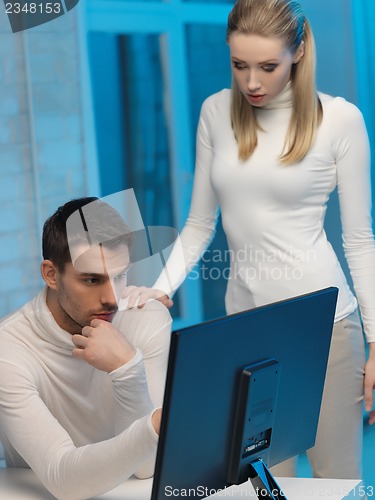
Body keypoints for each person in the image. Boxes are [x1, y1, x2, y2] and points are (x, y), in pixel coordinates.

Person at [127, 0, 375, 480]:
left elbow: (360, 240)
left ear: (299, 51)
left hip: (326, 328)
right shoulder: (216, 112)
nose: (252, 82)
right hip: (248, 331)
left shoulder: (340, 120)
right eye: (239, 65)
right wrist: (163, 286)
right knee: (263, 483)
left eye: (268, 66)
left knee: (336, 484)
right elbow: (200, 223)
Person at [0, 197, 172, 499]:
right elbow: (63, 478)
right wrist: (153, 420)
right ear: (51, 274)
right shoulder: (9, 349)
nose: (112, 299)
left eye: (120, 276)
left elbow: (147, 467)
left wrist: (127, 370)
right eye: (92, 279)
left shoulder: (146, 318)